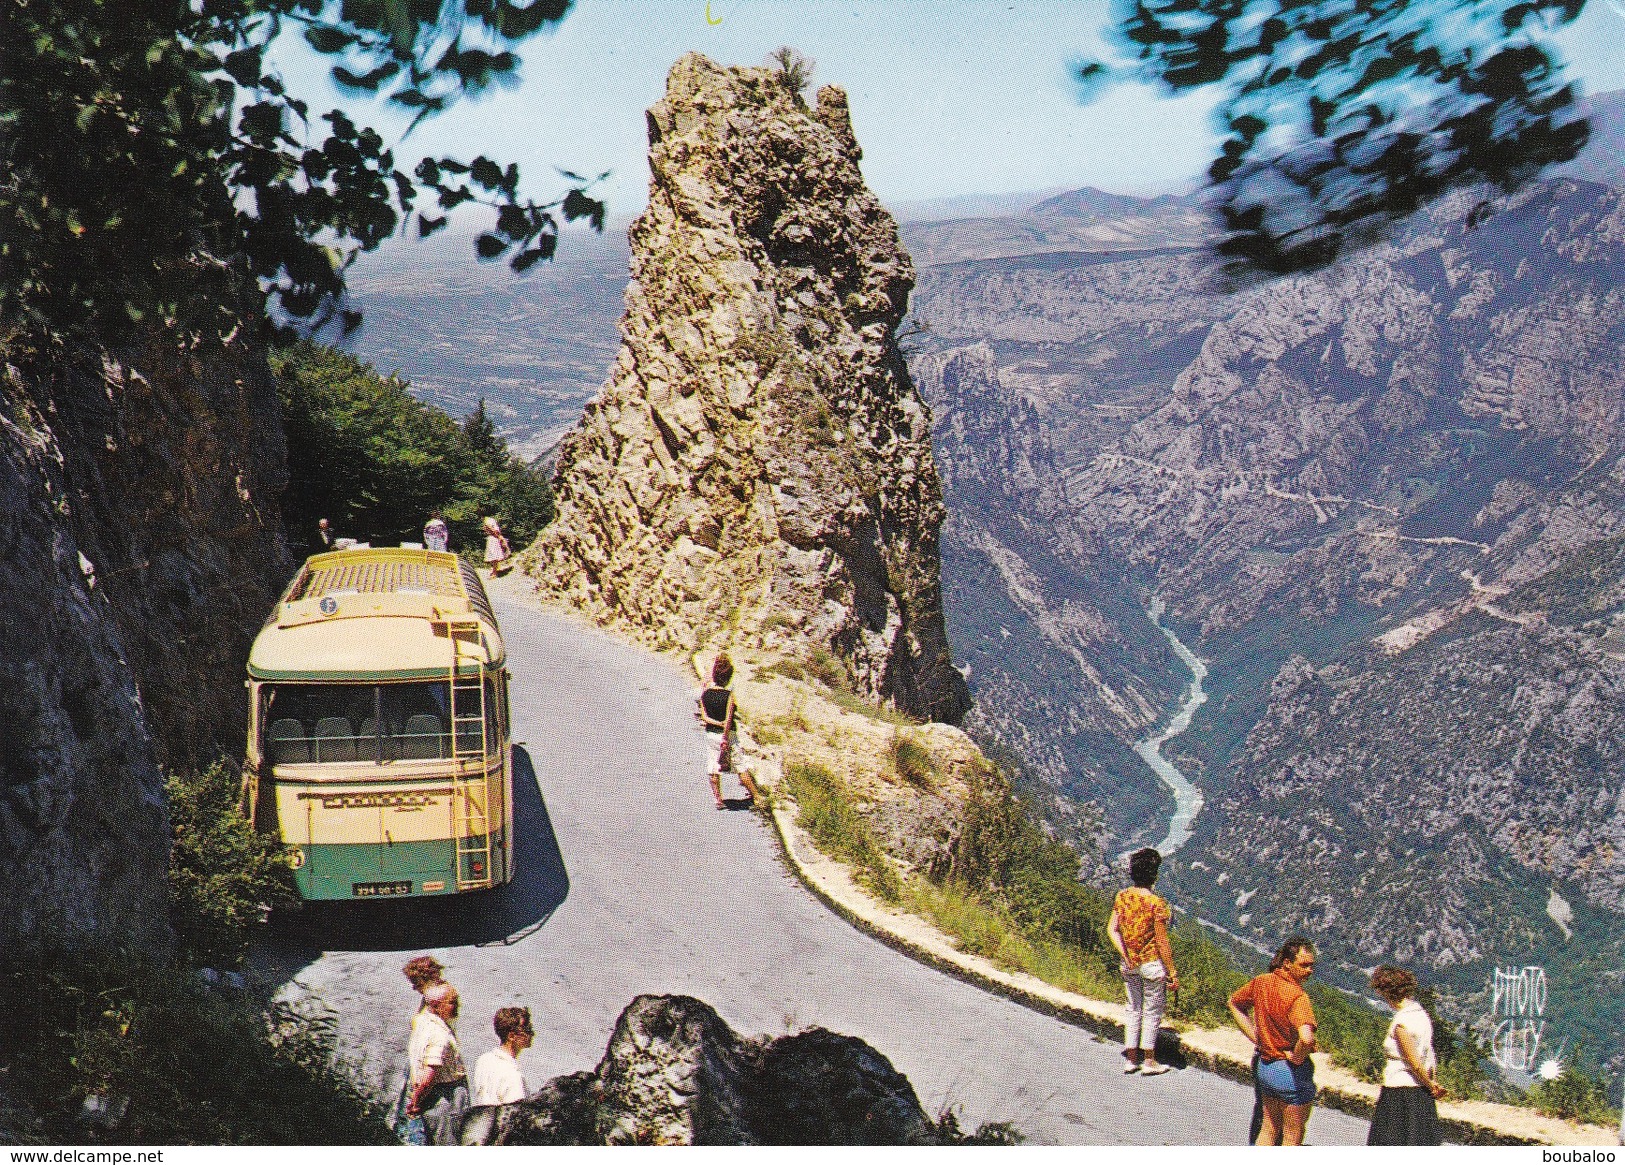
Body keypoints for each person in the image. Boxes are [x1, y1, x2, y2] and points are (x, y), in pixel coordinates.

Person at [1229, 936, 1319, 1146]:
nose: (1309, 971)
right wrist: (1297, 1058)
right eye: (1304, 965)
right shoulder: (1298, 997)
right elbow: (1306, 1039)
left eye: (1311, 966)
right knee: (1292, 1135)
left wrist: (1256, 1038)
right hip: (1290, 1071)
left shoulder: (1262, 982)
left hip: (1265, 1066)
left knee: (1269, 1128)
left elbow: (1233, 1003)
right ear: (1287, 963)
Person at [1107, 846, 1180, 1075]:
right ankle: (1149, 1061)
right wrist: (1172, 972)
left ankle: (1131, 1059)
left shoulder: (1122, 896)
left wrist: (1126, 954)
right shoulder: (1157, 904)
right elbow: (1162, 943)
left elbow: (1112, 929)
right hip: (1151, 964)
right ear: (1154, 874)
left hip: (1129, 964)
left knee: (1133, 1008)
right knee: (1152, 1011)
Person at [1367, 966, 1446, 1145]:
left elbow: (1414, 1062)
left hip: (1399, 1093)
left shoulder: (1402, 1022)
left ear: (1386, 991)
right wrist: (1430, 1083)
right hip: (1420, 1095)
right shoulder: (1421, 1014)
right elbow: (1428, 1056)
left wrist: (1431, 1085)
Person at [405, 982, 469, 1145]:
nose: (457, 1006)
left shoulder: (421, 1020)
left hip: (429, 1094)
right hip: (444, 1098)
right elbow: (429, 1074)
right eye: (452, 1002)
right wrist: (416, 1102)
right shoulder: (439, 1035)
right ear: (436, 1005)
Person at [697, 653, 762, 809]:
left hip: (711, 735)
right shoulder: (729, 696)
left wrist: (716, 723)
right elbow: (728, 720)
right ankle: (757, 797)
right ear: (728, 677)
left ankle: (718, 799)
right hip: (728, 736)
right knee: (740, 765)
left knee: (713, 766)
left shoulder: (705, 695)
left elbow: (705, 717)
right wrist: (725, 735)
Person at [471, 1006, 533, 1107]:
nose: (532, 1034)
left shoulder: (484, 1059)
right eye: (527, 1029)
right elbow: (516, 1115)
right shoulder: (513, 1075)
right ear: (511, 1036)